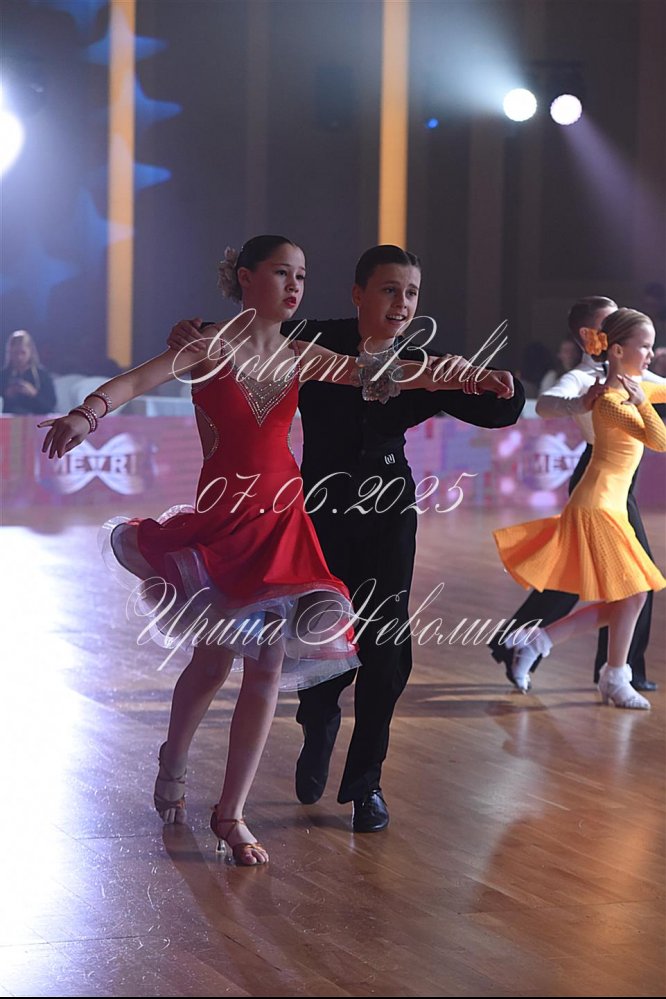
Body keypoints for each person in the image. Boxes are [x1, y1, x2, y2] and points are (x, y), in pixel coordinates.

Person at [40, 235, 505, 863]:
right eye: (282, 273)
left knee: (264, 667)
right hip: (223, 525)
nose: (294, 287)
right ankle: (173, 758)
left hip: (284, 523)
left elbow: (386, 372)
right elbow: (136, 380)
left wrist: (473, 377)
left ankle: (230, 814)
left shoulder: (302, 354)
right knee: (211, 664)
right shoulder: (206, 348)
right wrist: (85, 414)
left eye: (302, 277)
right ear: (244, 277)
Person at [168, 243, 524, 833]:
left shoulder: (420, 364)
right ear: (359, 294)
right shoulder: (314, 339)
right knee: (320, 634)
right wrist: (195, 328)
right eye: (389, 290)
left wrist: (500, 382)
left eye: (411, 293)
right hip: (315, 513)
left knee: (386, 649)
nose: (402, 303)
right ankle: (318, 728)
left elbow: (497, 411)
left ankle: (366, 785)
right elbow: (246, 332)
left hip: (389, 516)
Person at [489, 295, 666, 691]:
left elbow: (660, 391)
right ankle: (616, 670)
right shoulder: (586, 378)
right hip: (597, 479)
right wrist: (579, 402)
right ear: (591, 335)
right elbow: (546, 406)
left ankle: (614, 667)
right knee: (609, 583)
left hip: (619, 483)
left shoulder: (631, 374)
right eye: (610, 322)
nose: (619, 324)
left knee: (621, 583)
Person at [0, 330, 56, 414]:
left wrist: (34, 393)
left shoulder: (42, 375)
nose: (19, 357)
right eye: (15, 353)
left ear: (30, 352)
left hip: (36, 420)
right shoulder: (3, 376)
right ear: (10, 352)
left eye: (23, 353)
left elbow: (51, 406)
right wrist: (6, 395)